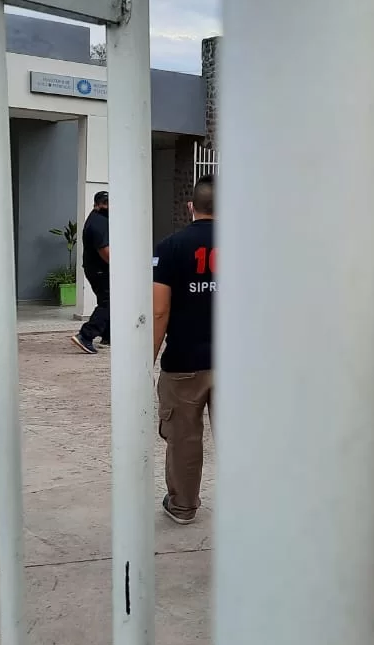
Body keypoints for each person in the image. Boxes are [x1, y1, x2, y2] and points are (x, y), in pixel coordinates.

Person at [152, 175, 217, 524]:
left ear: (191, 206)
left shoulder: (170, 247)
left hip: (184, 364)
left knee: (183, 439)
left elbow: (160, 310)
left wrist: (146, 358)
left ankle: (182, 506)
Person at [71, 190, 110, 354]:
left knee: (106, 300)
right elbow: (105, 252)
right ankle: (86, 335)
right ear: (98, 205)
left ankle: (108, 336)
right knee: (110, 302)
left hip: (95, 268)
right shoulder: (98, 223)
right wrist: (121, 269)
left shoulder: (98, 219)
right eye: (106, 203)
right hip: (100, 269)